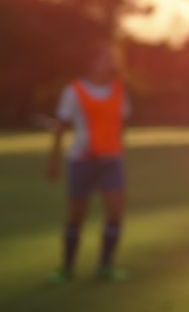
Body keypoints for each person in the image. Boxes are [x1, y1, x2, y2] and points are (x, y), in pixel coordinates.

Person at [46, 42, 130, 283]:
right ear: (92, 62)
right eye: (105, 58)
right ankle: (67, 267)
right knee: (76, 216)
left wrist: (117, 149)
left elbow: (120, 125)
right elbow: (61, 127)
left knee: (115, 212)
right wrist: (54, 160)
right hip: (82, 161)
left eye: (112, 59)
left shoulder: (119, 90)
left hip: (111, 160)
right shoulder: (74, 91)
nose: (110, 63)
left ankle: (106, 266)